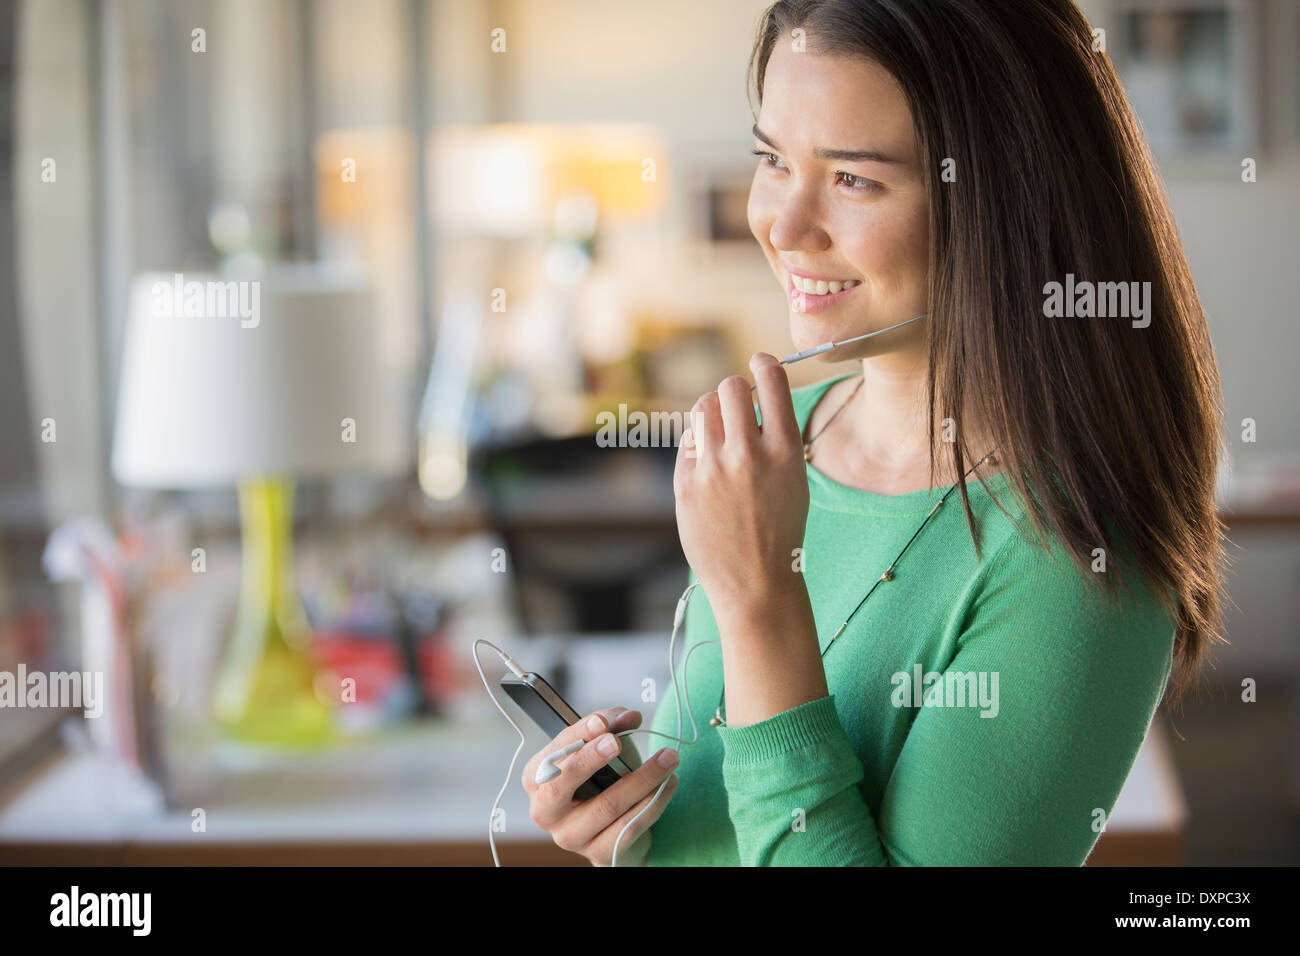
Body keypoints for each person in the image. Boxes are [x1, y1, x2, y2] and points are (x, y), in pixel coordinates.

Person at [522, 0, 1226, 866]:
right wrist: (629, 823)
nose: (782, 225)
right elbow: (739, 815)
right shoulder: (786, 450)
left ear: (1003, 202)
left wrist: (758, 603)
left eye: (854, 178)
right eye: (772, 159)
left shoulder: (1079, 557)